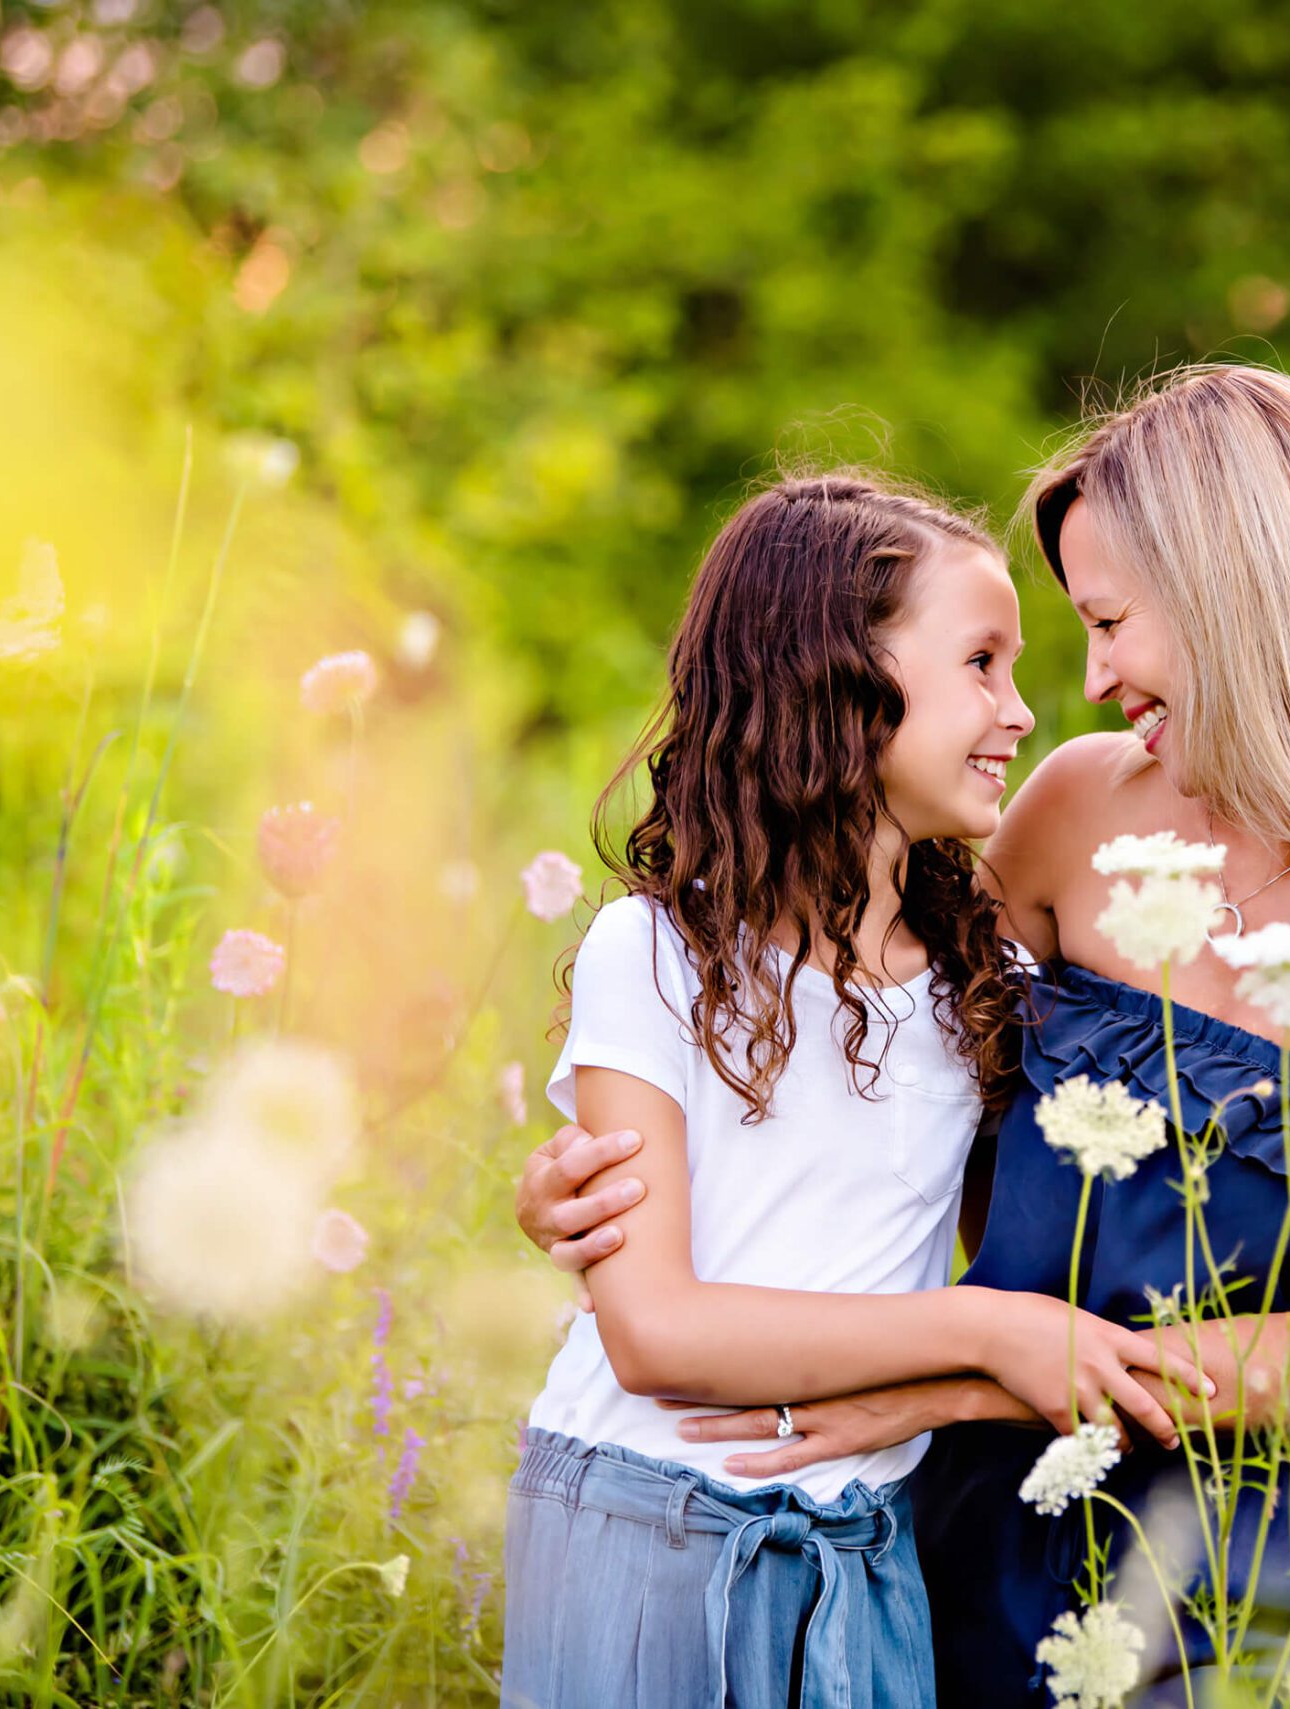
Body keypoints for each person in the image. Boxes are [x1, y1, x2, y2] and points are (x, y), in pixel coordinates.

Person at [521, 368, 1290, 1705]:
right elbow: (879, 1082)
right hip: (953, 1564)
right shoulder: (1080, 814)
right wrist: (596, 1185)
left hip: (1239, 1607)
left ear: (1233, 595)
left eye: (1110, 623)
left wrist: (973, 1381)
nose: (1086, 683)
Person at [502, 472, 1211, 1709]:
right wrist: (983, 1332)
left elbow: (1026, 1238)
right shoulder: (657, 954)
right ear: (836, 677)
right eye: (981, 664)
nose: (1022, 710)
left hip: (871, 1533)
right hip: (646, 1520)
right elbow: (657, 1332)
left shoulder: (982, 977)